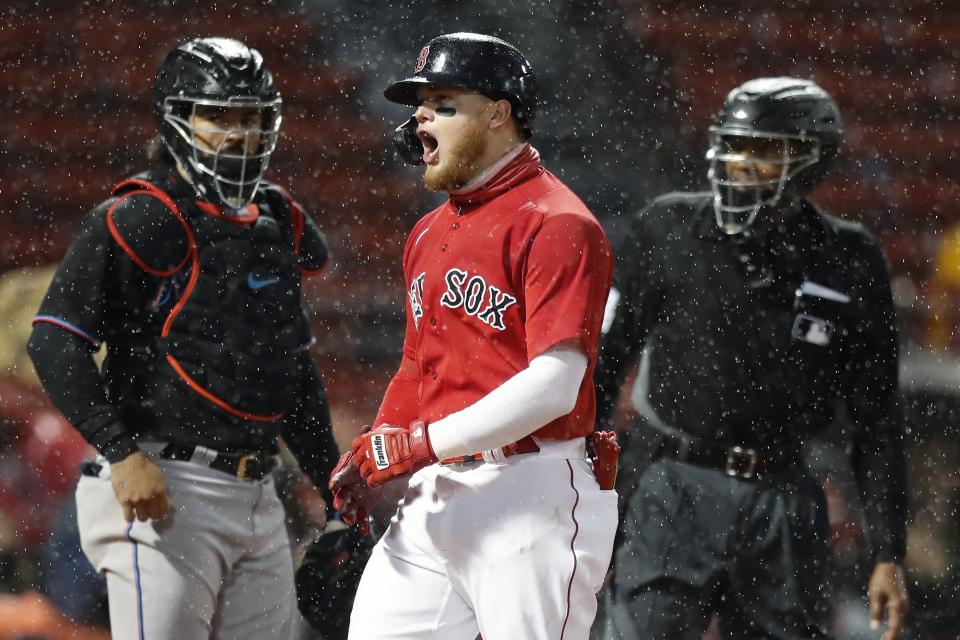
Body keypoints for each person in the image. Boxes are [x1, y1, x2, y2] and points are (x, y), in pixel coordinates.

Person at [27, 37, 338, 640]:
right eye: (219, 116)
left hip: (259, 487)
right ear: (176, 117)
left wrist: (333, 488)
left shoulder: (277, 221)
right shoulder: (141, 214)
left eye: (252, 117)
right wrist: (119, 452)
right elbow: (55, 340)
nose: (240, 134)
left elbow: (290, 370)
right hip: (164, 481)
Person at [593, 77, 910, 640]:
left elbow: (877, 417)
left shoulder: (849, 256)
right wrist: (584, 492)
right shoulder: (665, 228)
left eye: (763, 149)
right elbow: (603, 365)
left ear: (812, 159)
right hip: (670, 481)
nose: (740, 161)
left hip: (784, 489)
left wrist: (889, 550)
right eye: (733, 143)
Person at [328, 32, 619, 640]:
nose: (420, 118)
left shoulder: (558, 222)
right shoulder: (427, 231)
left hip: (532, 491)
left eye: (443, 103)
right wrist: (375, 446)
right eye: (420, 104)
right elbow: (417, 365)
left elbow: (556, 385)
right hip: (440, 488)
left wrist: (418, 444)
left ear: (498, 113)